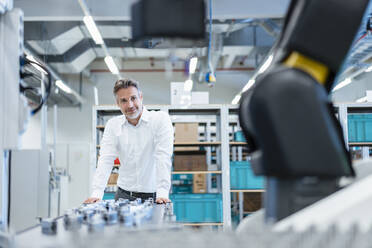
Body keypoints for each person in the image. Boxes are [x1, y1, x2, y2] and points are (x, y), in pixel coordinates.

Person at [84, 78, 173, 204]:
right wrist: (97, 193)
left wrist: (163, 192)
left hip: (155, 196)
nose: (130, 105)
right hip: (124, 196)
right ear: (117, 103)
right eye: (124, 101)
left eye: (133, 98)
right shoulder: (113, 125)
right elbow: (106, 159)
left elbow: (163, 157)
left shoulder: (160, 120)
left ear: (141, 97)